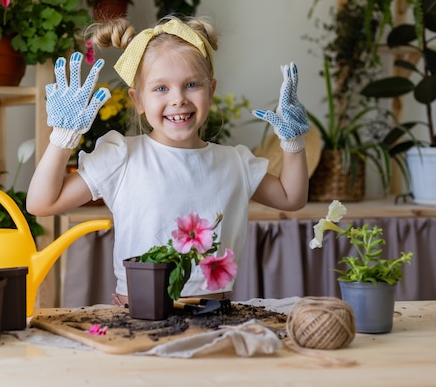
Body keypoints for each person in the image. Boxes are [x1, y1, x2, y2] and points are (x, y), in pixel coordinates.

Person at [27, 16, 310, 306]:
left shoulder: (234, 162)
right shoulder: (121, 157)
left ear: (211, 91)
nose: (178, 99)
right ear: (138, 100)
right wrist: (62, 138)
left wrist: (293, 142)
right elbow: (41, 203)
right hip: (137, 321)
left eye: (191, 84)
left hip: (214, 321)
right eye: (161, 88)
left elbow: (292, 197)